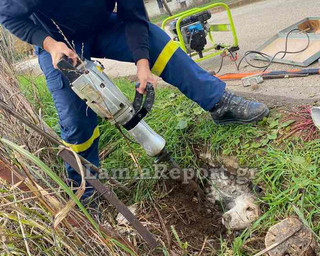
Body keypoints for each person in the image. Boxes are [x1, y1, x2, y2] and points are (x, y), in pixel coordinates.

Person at [0, 0, 269, 199]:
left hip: (103, 26)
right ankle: (85, 189)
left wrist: (143, 62)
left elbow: (134, 15)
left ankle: (219, 103)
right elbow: (7, 15)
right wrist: (49, 44)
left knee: (157, 42)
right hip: (57, 42)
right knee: (75, 118)